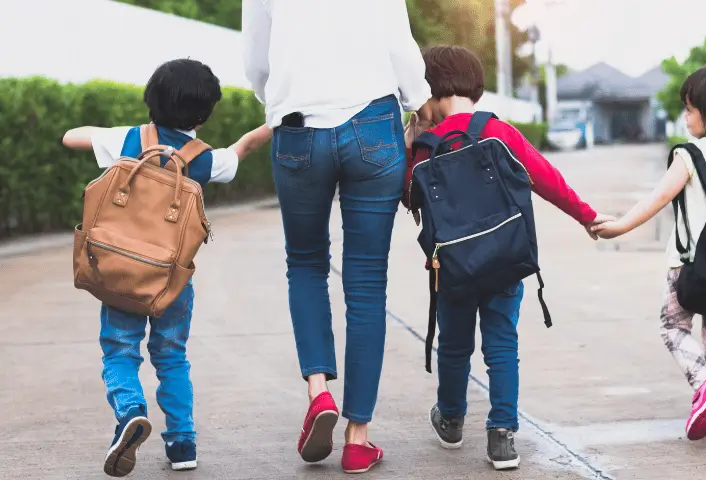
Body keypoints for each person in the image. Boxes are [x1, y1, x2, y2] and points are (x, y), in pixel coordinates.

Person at [241, 0, 434, 473]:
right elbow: (399, 46)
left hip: (297, 127)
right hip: (371, 123)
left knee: (305, 263)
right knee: (367, 281)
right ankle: (357, 437)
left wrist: (282, 98)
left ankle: (318, 392)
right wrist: (419, 98)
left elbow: (257, 59)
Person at [401, 45, 613, 470]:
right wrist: (586, 216)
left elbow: (409, 197)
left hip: (452, 268)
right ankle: (502, 436)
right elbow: (545, 179)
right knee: (501, 343)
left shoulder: (427, 144)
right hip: (504, 258)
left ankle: (452, 421)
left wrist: (410, 141)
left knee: (455, 345)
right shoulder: (499, 132)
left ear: (431, 87)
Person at [62, 58, 271, 477]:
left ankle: (130, 413)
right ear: (205, 113)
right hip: (169, 282)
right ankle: (182, 444)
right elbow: (244, 146)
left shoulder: (127, 139)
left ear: (150, 99)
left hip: (119, 274)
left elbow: (70, 138)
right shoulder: (205, 159)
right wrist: (278, 120)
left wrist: (102, 133)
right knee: (172, 357)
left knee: (119, 351)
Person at [591, 64, 706, 440]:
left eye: (690, 109)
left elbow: (657, 199)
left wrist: (619, 226)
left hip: (689, 265)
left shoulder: (690, 154)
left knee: (674, 327)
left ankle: (705, 386)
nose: (685, 118)